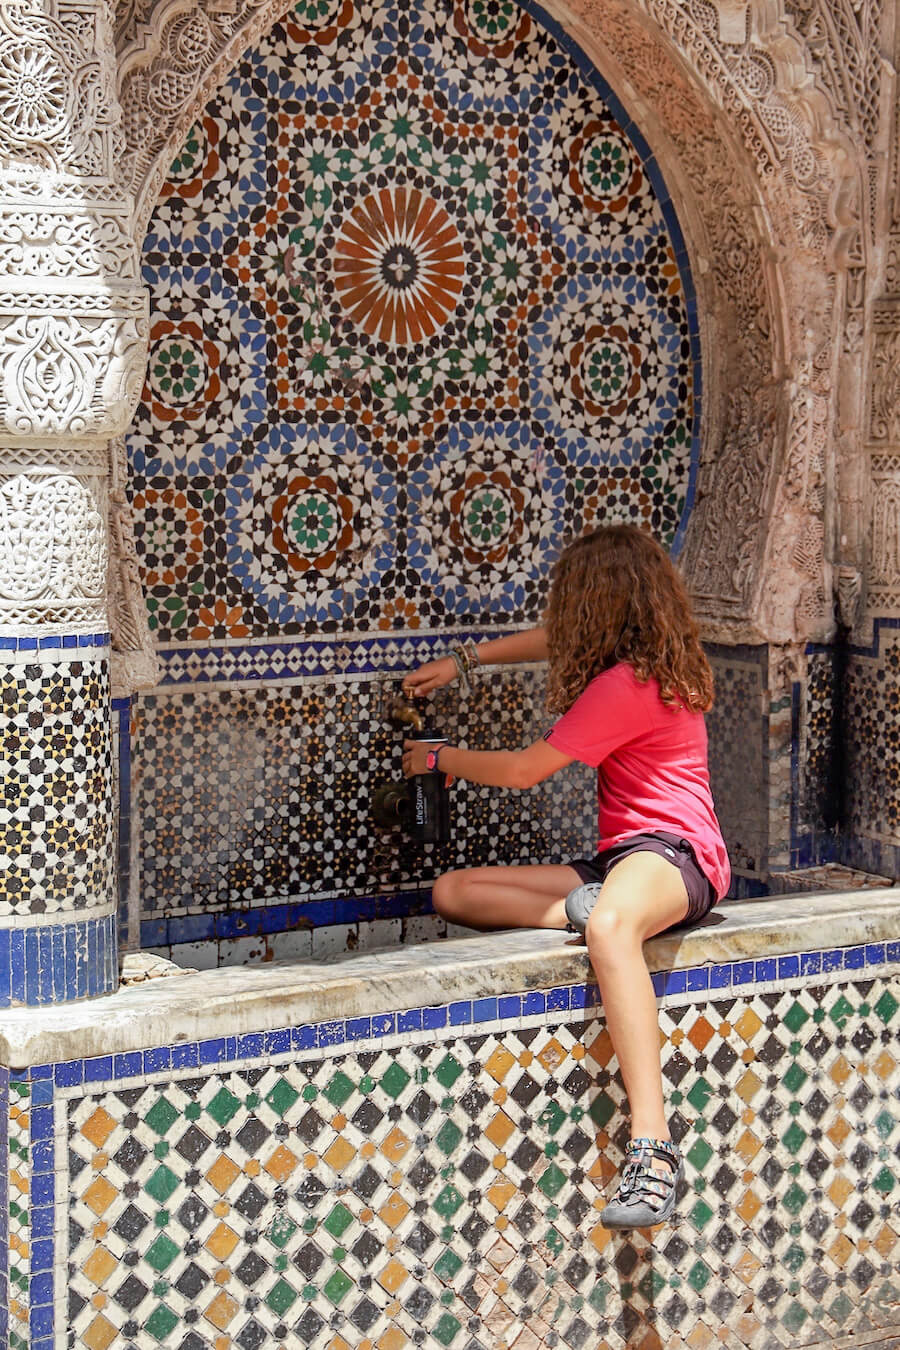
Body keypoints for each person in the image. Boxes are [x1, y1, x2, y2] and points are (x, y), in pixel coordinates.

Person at [400, 524, 730, 1229]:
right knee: (455, 892)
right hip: (622, 860)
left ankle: (653, 1148)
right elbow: (553, 638)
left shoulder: (628, 684)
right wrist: (464, 660)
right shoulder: (657, 654)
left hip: (675, 856)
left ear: (597, 606)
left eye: (573, 602)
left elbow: (524, 771)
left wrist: (438, 760)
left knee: (613, 927)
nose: (563, 618)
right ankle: (588, 905)